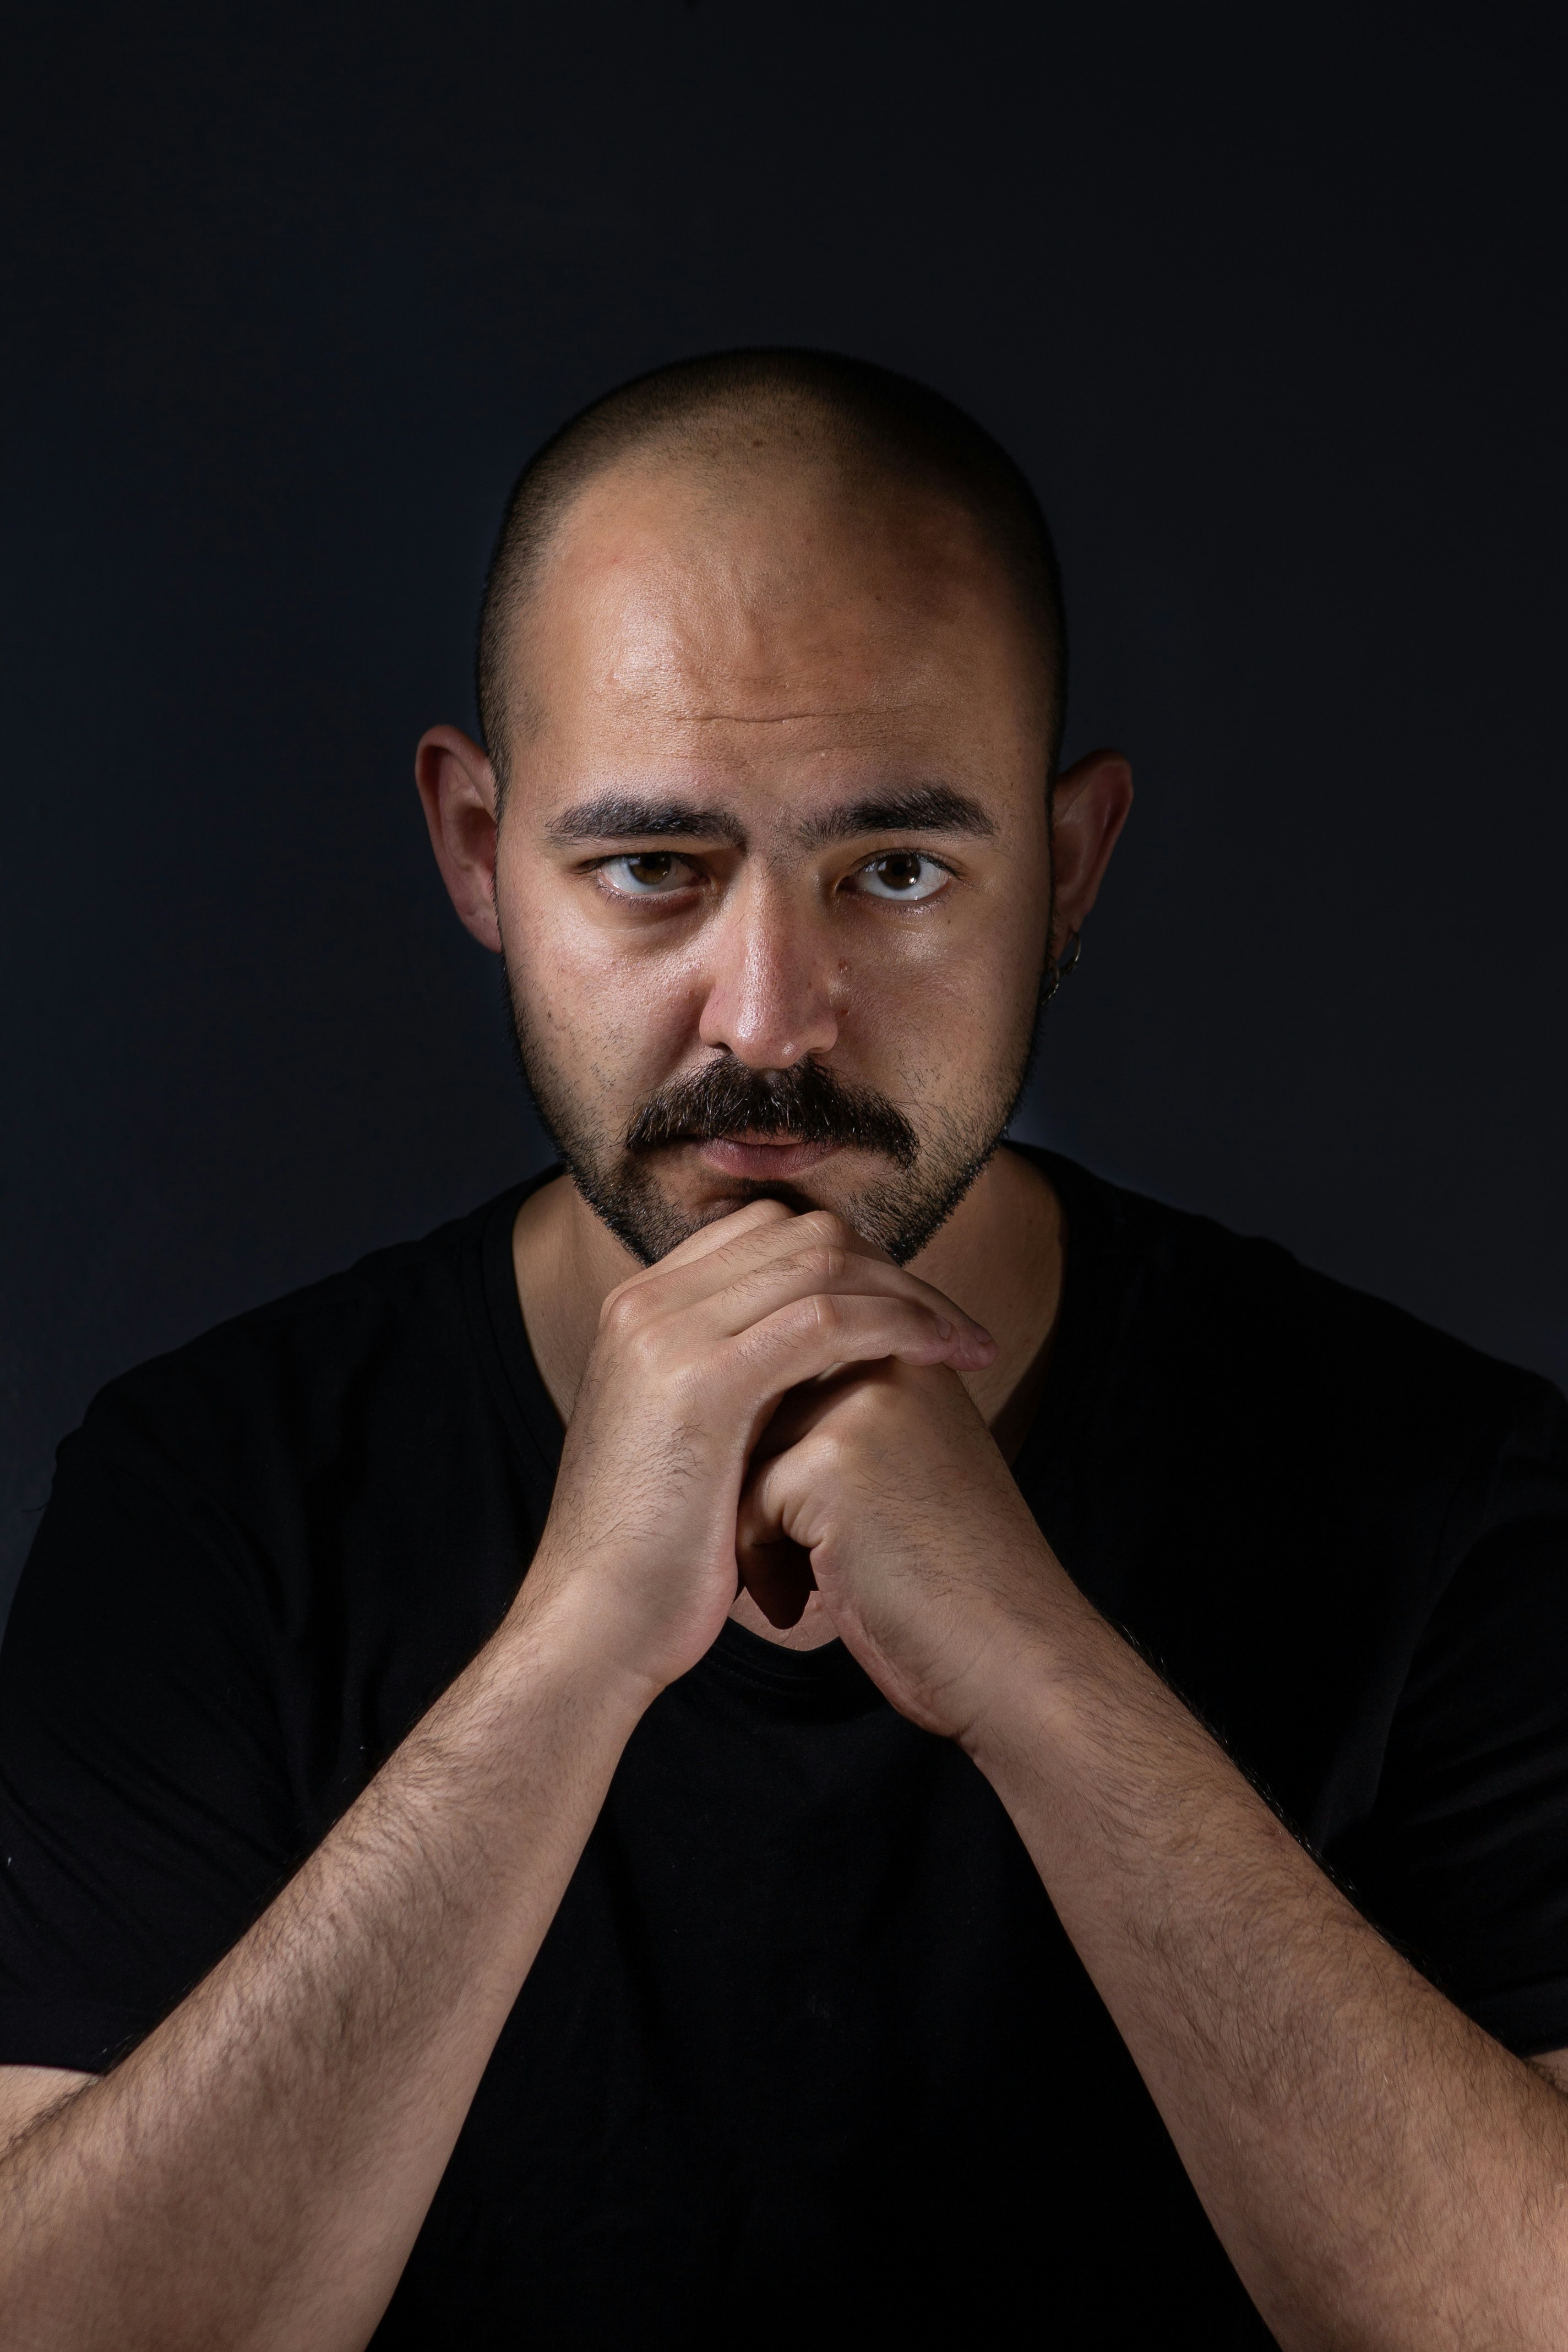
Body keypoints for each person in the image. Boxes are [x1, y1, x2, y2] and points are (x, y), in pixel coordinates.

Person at [2, 349, 1566, 2351]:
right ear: (477, 847)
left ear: (1069, 873)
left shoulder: (1446, 1490)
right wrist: (575, 1646)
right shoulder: (215, 1495)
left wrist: (1041, 1670)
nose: (768, 1016)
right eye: (652, 869)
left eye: (897, 873)